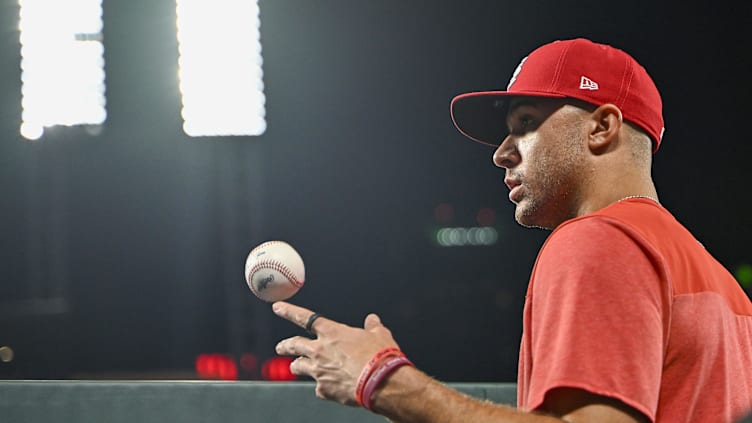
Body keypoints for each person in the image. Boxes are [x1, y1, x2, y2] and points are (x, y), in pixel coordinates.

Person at [272, 38, 752, 422]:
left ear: (602, 127)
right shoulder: (719, 280)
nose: (502, 152)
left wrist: (385, 381)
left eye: (525, 123)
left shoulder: (598, 240)